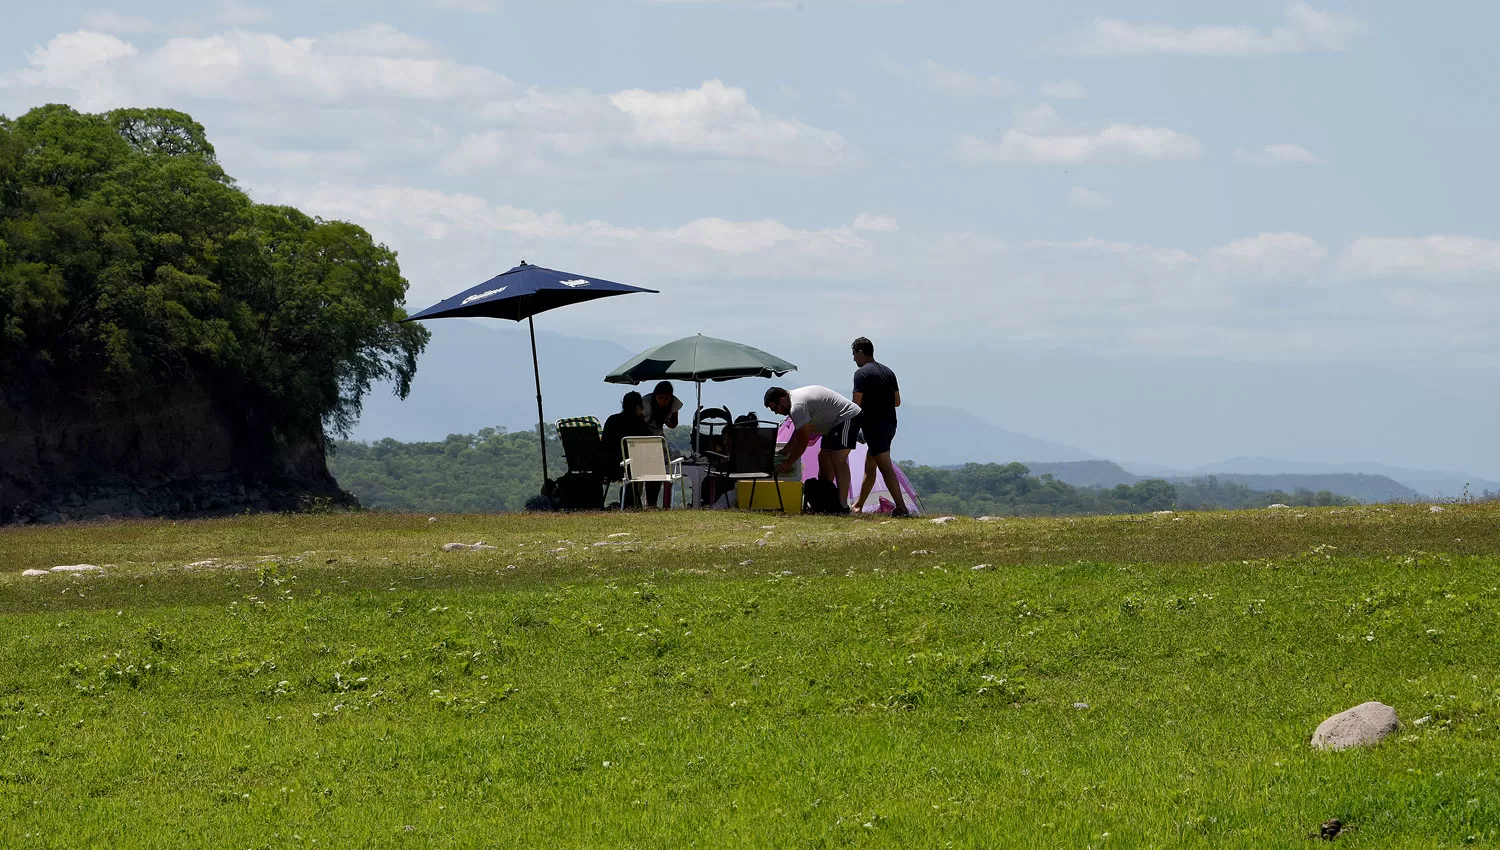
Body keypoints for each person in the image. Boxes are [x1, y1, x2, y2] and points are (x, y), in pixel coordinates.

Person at [764, 385, 861, 513]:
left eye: (775, 409)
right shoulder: (794, 403)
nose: (777, 413)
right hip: (832, 424)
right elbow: (798, 433)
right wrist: (784, 451)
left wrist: (789, 462)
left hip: (847, 416)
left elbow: (803, 439)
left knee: (838, 459)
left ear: (782, 400)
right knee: (823, 457)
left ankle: (842, 505)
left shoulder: (797, 406)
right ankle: (826, 498)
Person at [849, 337, 909, 517]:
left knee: (885, 466)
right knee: (870, 465)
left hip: (874, 426)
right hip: (890, 424)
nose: (853, 359)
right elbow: (897, 401)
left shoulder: (861, 374)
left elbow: (856, 405)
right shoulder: (888, 372)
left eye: (854, 354)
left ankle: (901, 508)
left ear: (860, 352)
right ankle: (858, 504)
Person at [601, 391, 651, 507]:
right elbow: (649, 442)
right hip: (630, 468)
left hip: (609, 466)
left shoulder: (612, 420)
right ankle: (647, 502)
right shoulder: (638, 425)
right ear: (638, 407)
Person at [641, 381, 683, 508]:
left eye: (666, 399)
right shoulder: (646, 404)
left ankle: (652, 502)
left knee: (671, 457)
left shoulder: (674, 404)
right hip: (644, 438)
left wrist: (669, 416)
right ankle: (648, 501)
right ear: (655, 397)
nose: (663, 401)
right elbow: (639, 423)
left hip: (659, 438)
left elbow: (673, 424)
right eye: (660, 398)